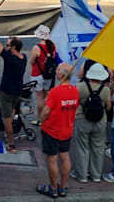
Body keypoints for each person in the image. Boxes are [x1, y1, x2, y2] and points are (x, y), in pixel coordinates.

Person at [36, 64, 79, 198]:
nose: (55, 70)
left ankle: (53, 188)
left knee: (52, 159)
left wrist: (41, 120)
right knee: (65, 157)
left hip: (52, 130)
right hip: (67, 129)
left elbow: (46, 111)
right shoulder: (75, 91)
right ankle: (63, 187)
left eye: (58, 69)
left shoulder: (55, 92)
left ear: (62, 75)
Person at [0, 18, 27, 151]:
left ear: (13, 48)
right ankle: (12, 135)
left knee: (6, 119)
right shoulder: (23, 58)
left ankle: (11, 143)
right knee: (12, 115)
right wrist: (13, 39)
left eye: (8, 45)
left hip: (6, 92)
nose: (6, 46)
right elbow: (13, 42)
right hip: (17, 92)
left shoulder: (9, 58)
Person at [70, 63, 111, 184]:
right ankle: (96, 175)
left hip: (82, 119)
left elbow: (74, 103)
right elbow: (108, 107)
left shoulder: (80, 86)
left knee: (82, 147)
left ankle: (81, 175)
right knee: (98, 148)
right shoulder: (106, 89)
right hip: (100, 121)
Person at [29, 25, 56, 125]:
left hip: (37, 74)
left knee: (39, 97)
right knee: (46, 96)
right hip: (48, 74)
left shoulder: (37, 48)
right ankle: (47, 116)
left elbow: (32, 62)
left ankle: (41, 119)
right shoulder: (53, 46)